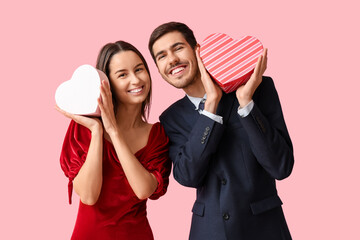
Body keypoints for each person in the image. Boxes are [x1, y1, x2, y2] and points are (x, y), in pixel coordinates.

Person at [148, 22, 294, 240]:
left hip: (264, 229)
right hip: (209, 232)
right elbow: (188, 176)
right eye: (161, 56)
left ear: (198, 50)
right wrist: (211, 106)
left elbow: (281, 166)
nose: (172, 59)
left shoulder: (257, 88)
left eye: (178, 48)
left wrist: (246, 103)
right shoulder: (171, 119)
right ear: (159, 69)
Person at [57, 41, 171, 240]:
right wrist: (96, 131)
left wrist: (114, 133)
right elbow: (89, 196)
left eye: (139, 70)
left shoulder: (157, 134)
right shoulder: (84, 126)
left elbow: (143, 190)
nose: (135, 80)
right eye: (123, 75)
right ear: (106, 84)